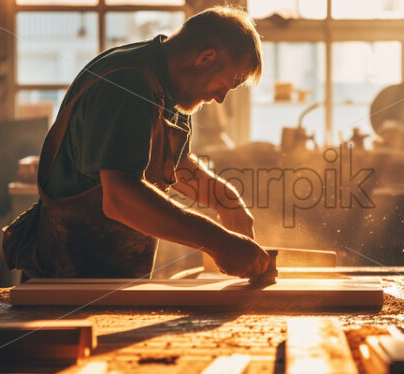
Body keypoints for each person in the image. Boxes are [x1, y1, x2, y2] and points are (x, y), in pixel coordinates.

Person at [24, 6, 269, 278]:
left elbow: (174, 166)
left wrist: (227, 201)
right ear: (205, 58)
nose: (221, 98)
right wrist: (219, 242)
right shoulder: (128, 84)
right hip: (69, 279)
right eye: (229, 83)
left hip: (114, 275)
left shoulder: (170, 86)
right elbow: (120, 197)